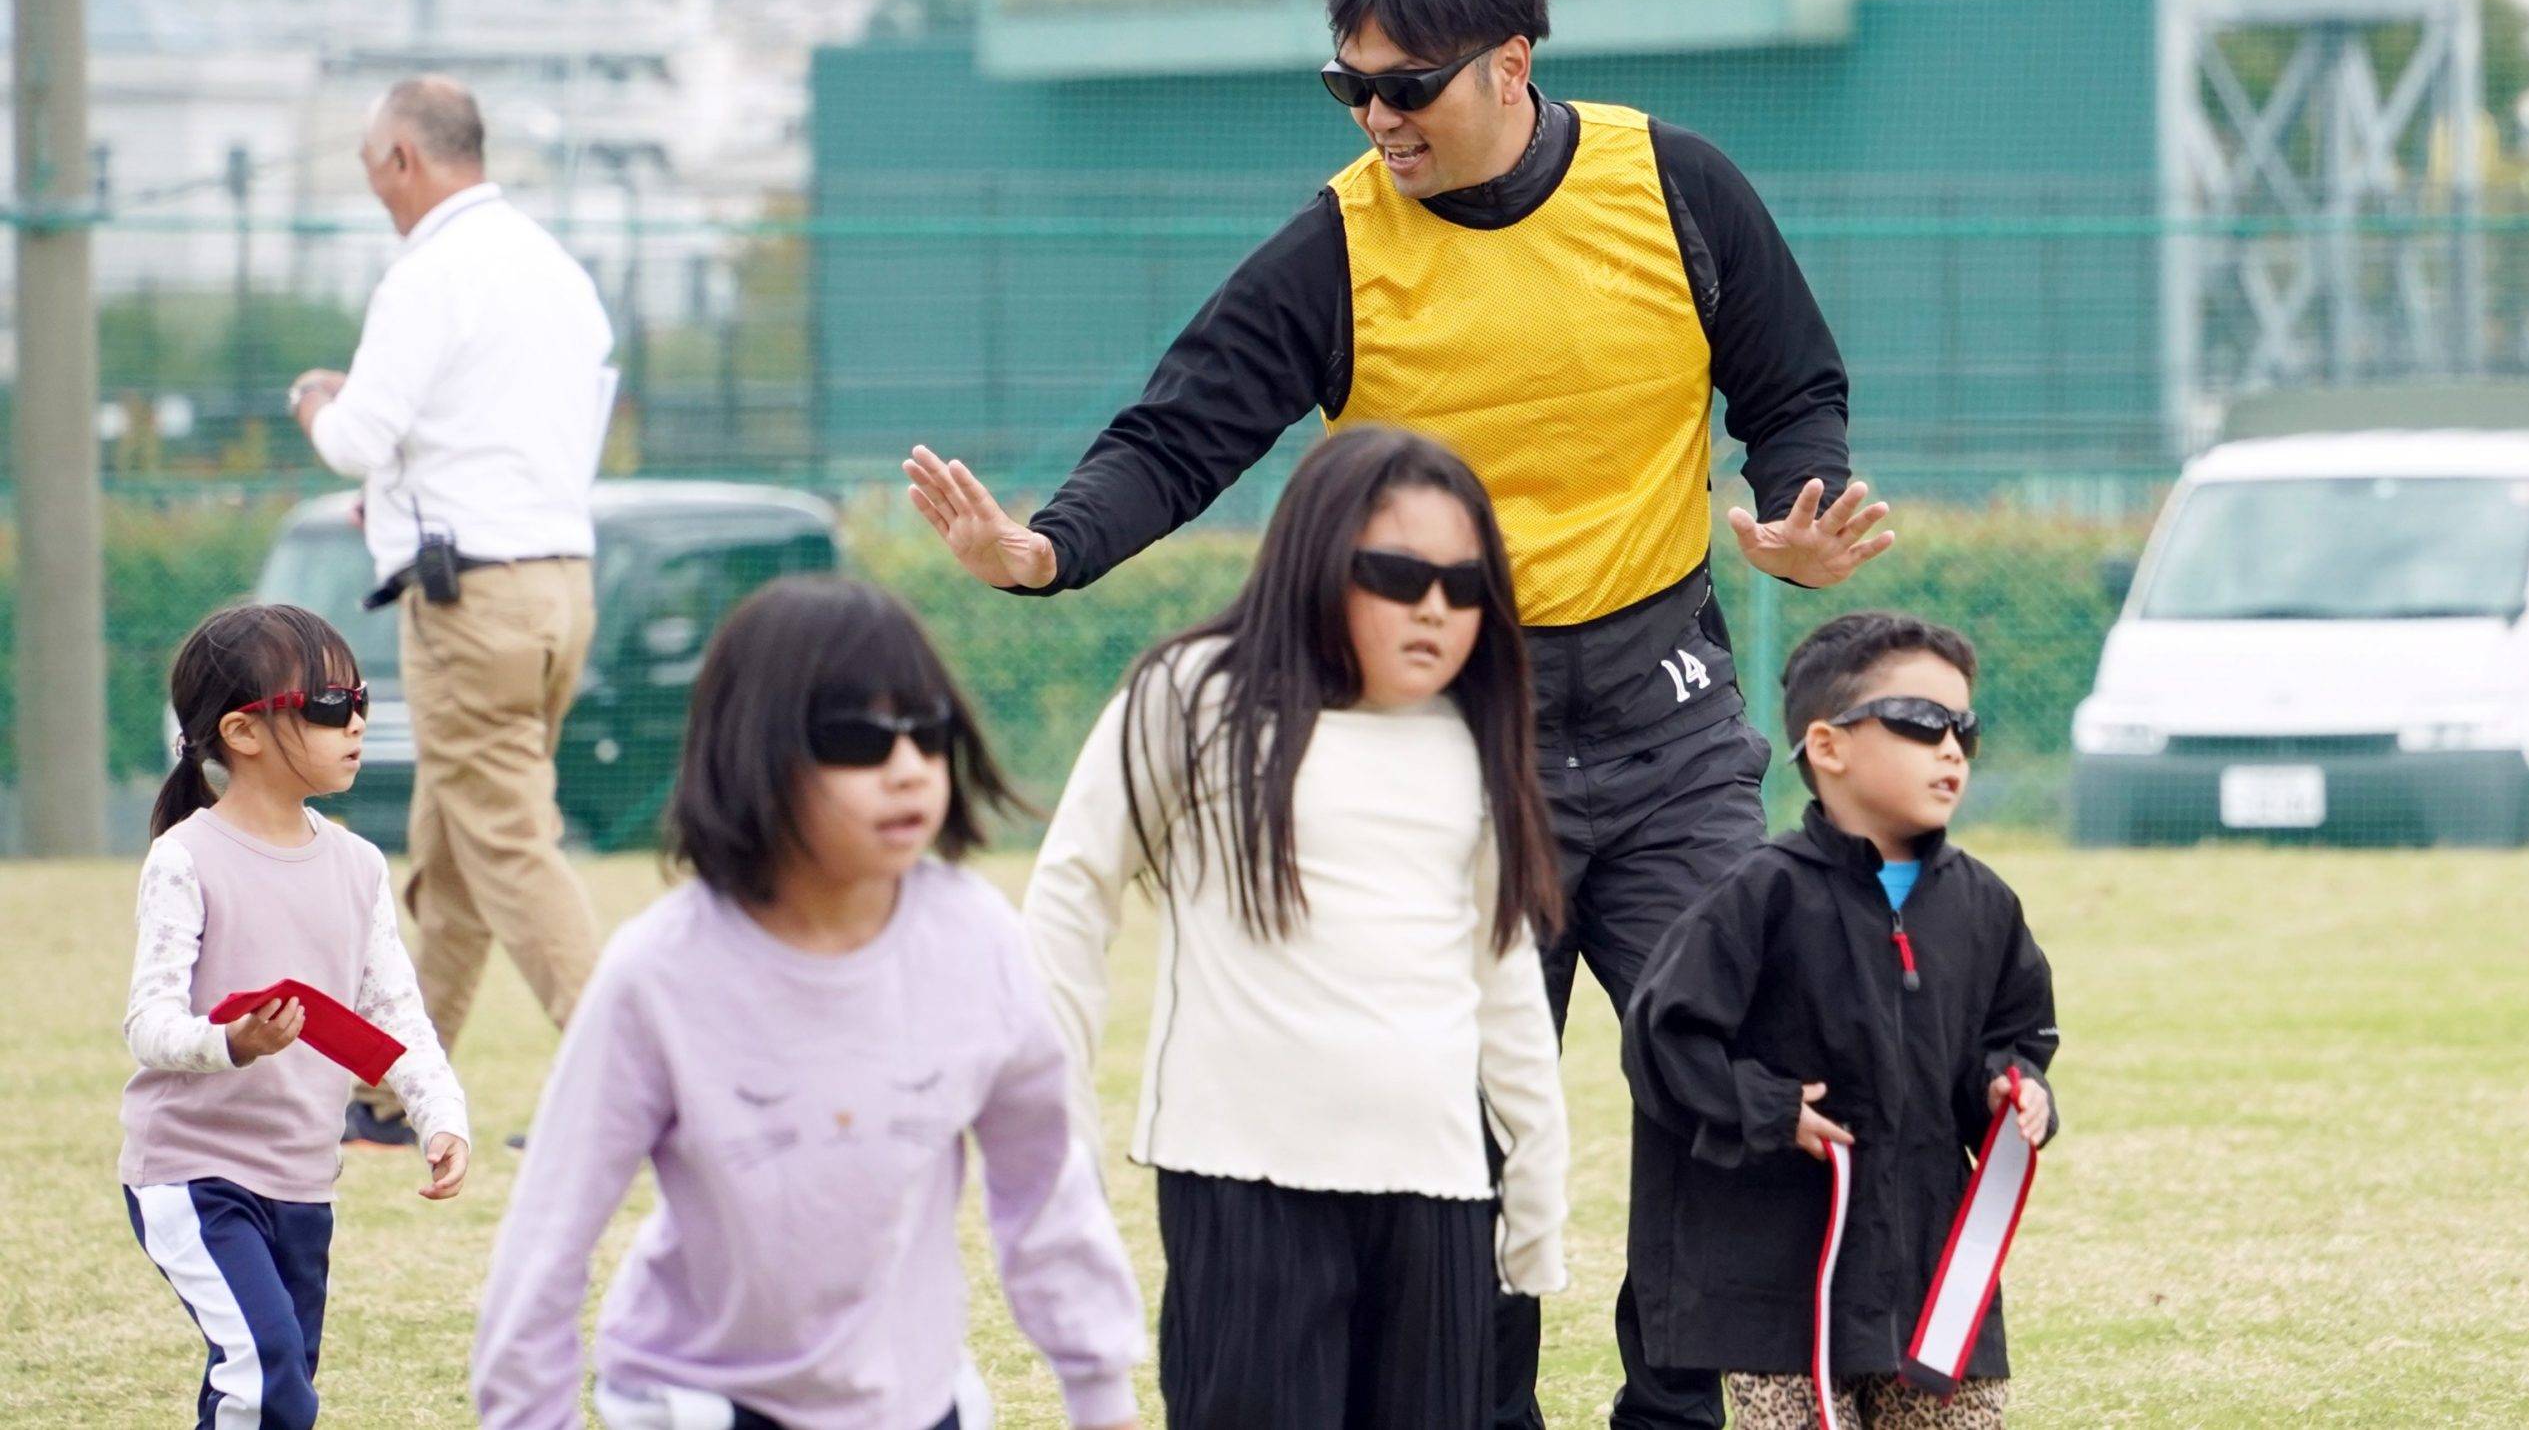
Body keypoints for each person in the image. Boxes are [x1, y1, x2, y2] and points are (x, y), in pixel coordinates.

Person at [904, 0, 1889, 1429]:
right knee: (1461, 1122)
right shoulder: (1338, 246)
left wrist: (1801, 509)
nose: (1377, 117)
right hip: (1453, 742)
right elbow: (1181, 431)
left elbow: (1792, 387)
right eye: (1348, 86)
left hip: (1668, 723)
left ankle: (1678, 1412)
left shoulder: (1674, 185)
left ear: (1510, 64)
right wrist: (1045, 550)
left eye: (1406, 85)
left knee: (1736, 1073)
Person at [472, 577, 1147, 1430]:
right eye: (856, 739)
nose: (907, 768)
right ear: (757, 751)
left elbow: (1046, 1191)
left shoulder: (978, 939)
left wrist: (1102, 1394)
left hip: (915, 1403)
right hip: (703, 1399)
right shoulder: (660, 973)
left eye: (927, 731)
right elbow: (549, 1232)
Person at [1025, 426, 1571, 1429]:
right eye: (1399, 574)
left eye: (1464, 586)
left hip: (1436, 1187)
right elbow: (1069, 899)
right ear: (1319, 556)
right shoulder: (1194, 697)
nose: (1435, 608)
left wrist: (1535, 1175)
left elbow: (1499, 966)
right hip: (1243, 1177)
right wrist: (1058, 1142)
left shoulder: (1471, 733)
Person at [1621, 612, 2060, 1430]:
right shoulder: (1760, 895)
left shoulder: (1985, 905)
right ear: (1827, 746)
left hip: (1930, 1282)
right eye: (1921, 721)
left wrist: (2013, 1088)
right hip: (1782, 1292)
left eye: (1964, 727)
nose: (1951, 748)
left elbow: (2017, 1033)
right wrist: (1766, 1106)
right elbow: (1663, 1037)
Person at [290, 74, 618, 1151]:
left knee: (507, 844)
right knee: (457, 848)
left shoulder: (427, 274)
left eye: (371, 166)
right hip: (559, 580)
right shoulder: (555, 270)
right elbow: (526, 433)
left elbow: (355, 438)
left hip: (470, 600)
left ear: (404, 158)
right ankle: (392, 1093)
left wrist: (317, 401)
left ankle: (634, 1083)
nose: (374, 188)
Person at [121, 603, 471, 1430]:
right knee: (267, 1370)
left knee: (279, 1393)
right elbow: (147, 1023)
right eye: (327, 704)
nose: (355, 720)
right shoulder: (185, 858)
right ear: (242, 731)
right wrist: (231, 1042)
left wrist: (440, 1114)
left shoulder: (358, 864)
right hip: (194, 1174)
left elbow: (395, 1013)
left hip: (305, 1183)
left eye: (359, 700)